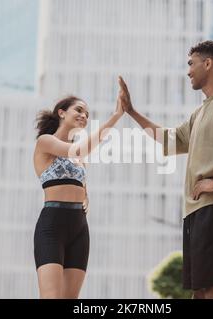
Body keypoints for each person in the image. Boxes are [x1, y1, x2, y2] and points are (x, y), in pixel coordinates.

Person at [119, 41, 213, 299]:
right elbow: (168, 139)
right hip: (196, 211)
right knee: (201, 289)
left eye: (191, 63)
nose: (188, 71)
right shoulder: (199, 113)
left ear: (208, 64)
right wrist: (131, 111)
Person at [33, 78, 125, 299]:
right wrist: (115, 117)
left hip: (79, 228)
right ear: (62, 113)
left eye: (87, 114)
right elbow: (76, 150)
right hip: (52, 226)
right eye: (79, 110)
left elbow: (82, 190)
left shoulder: (80, 160)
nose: (84, 116)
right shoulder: (45, 142)